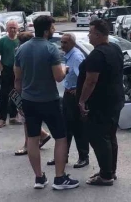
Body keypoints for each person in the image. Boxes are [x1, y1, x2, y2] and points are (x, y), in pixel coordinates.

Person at [14, 15, 79, 190]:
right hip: (49, 100)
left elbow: (17, 79)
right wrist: (65, 69)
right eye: (52, 27)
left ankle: (39, 178)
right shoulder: (51, 49)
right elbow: (58, 77)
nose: (53, 30)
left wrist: (20, 102)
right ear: (46, 30)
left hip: (28, 100)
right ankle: (59, 178)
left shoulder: (22, 49)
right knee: (61, 137)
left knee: (32, 139)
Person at [77, 19, 125, 186]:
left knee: (99, 137)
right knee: (110, 136)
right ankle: (110, 170)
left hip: (101, 103)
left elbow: (91, 81)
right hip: (115, 99)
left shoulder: (97, 55)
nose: (88, 36)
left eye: (90, 33)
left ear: (98, 35)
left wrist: (82, 101)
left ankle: (106, 175)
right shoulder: (115, 48)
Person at [48, 33, 89, 168]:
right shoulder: (69, 56)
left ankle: (83, 157)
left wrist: (78, 90)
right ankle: (62, 156)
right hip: (67, 95)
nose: (62, 45)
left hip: (74, 96)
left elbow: (83, 77)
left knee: (78, 127)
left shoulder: (76, 57)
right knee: (65, 126)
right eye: (61, 42)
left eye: (65, 42)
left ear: (72, 43)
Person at [13, 31, 52, 157]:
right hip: (36, 90)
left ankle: (28, 145)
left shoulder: (21, 53)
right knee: (29, 118)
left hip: (26, 90)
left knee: (26, 119)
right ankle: (43, 135)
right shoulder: (37, 52)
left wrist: (18, 94)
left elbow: (18, 78)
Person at [0, 20, 21, 128]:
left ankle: (13, 117)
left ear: (17, 29)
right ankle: (2, 119)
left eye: (14, 27)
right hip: (6, 69)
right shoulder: (2, 41)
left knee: (16, 93)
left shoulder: (20, 40)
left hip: (18, 70)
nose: (13, 29)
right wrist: (2, 69)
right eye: (11, 27)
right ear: (7, 29)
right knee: (4, 95)